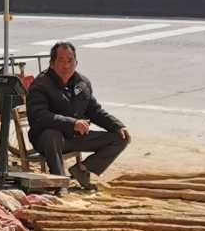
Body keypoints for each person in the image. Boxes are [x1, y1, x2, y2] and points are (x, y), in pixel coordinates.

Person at [25, 43, 129, 189]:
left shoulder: (82, 83)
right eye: (61, 60)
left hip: (75, 137)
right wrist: (72, 123)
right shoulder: (40, 85)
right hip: (48, 140)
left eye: (70, 60)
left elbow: (95, 111)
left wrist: (116, 125)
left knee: (121, 137)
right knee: (51, 134)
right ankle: (59, 182)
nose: (66, 65)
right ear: (52, 63)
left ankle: (82, 170)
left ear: (76, 62)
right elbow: (40, 116)